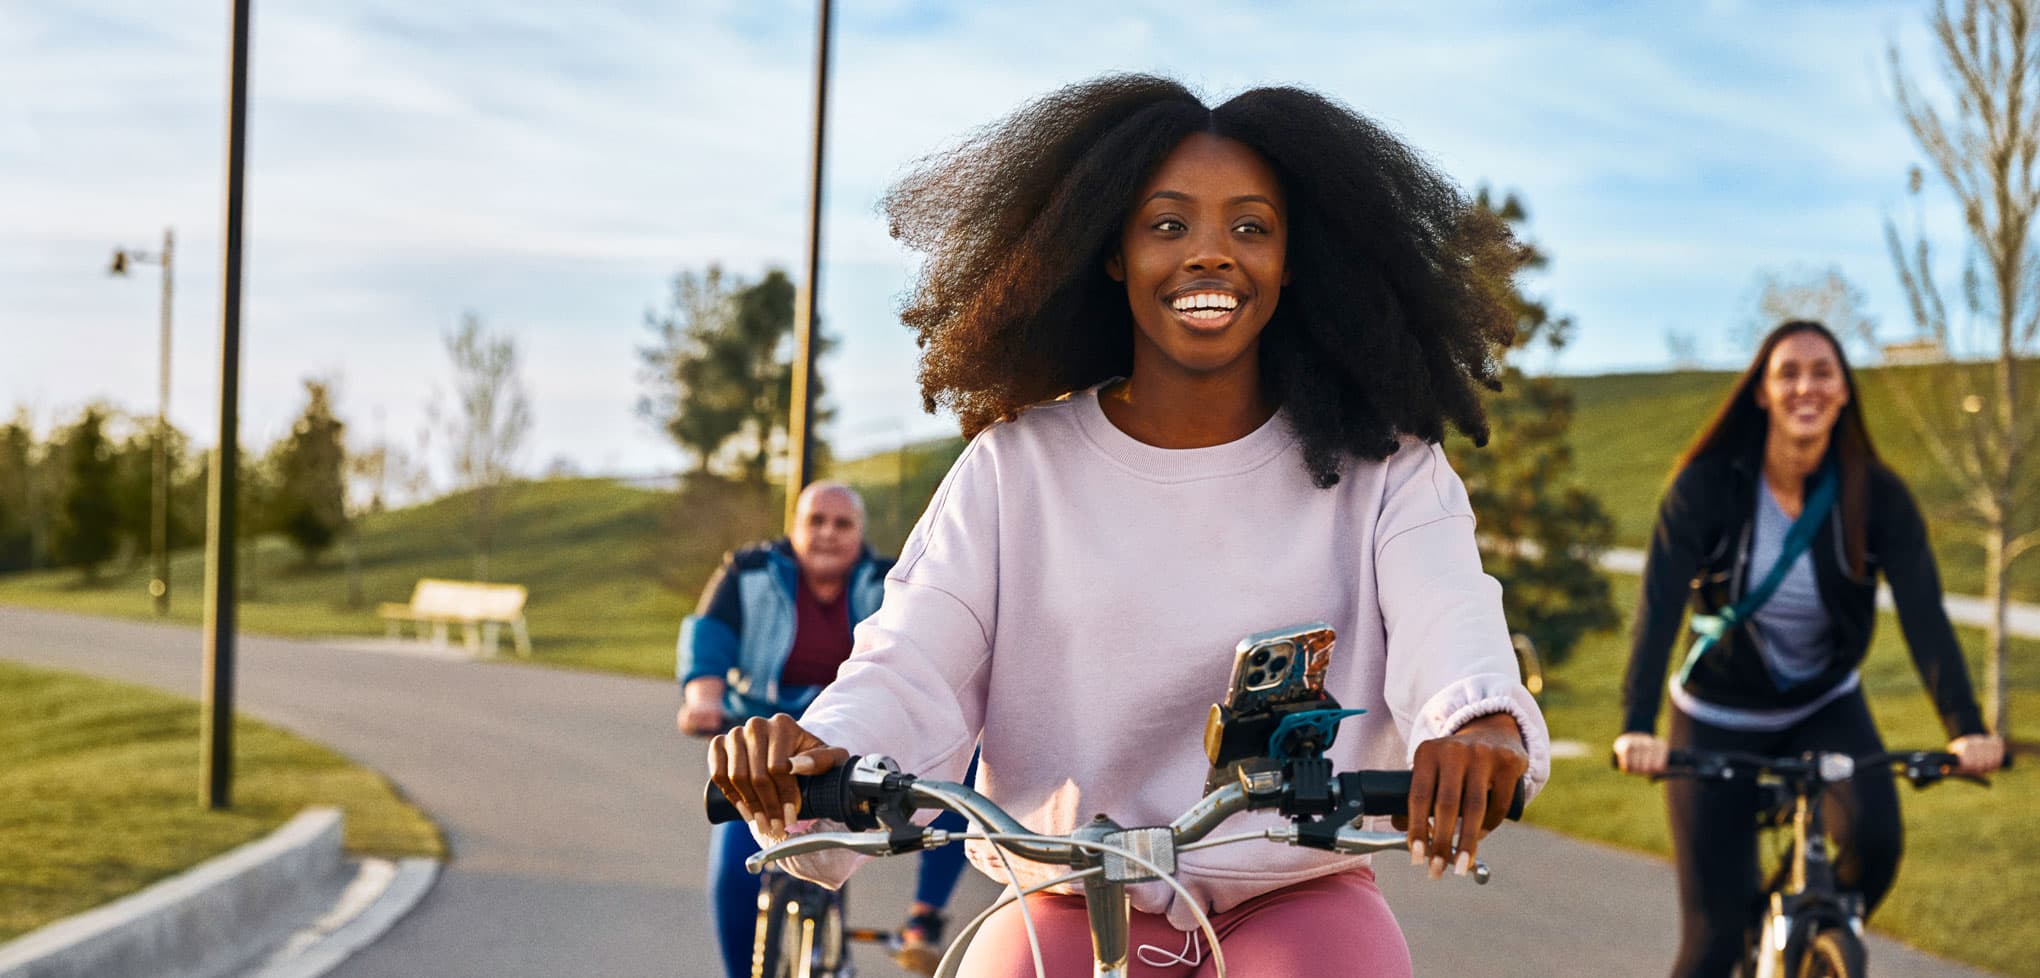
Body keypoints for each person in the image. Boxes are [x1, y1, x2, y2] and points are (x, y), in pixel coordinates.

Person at [709, 75, 1551, 977]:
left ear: (1296, 259)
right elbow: (912, 661)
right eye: (1168, 224)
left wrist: (1478, 722)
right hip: (1070, 895)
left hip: (1298, 895)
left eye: (1252, 227)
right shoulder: (1014, 467)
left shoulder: (1388, 469)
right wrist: (821, 749)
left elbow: (1449, 622)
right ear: (1110, 250)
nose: (1212, 255)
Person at [1611, 320, 2006, 977]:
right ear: (1762, 393)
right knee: (1712, 940)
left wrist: (1965, 729)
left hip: (1823, 707)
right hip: (1716, 715)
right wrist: (1635, 728)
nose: (1806, 386)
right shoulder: (1707, 488)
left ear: (1845, 390)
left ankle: (1796, 934)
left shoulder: (1877, 496)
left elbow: (1925, 616)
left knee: (1874, 843)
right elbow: (1656, 611)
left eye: (1823, 372)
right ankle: (1744, 934)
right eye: (1788, 372)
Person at [678, 481, 968, 978]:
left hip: (860, 742)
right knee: (736, 866)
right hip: (767, 738)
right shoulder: (748, 573)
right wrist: (703, 700)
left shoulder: (890, 581)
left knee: (956, 780)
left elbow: (925, 650)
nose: (828, 533)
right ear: (793, 527)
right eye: (816, 521)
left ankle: (925, 919)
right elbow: (711, 639)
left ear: (861, 534)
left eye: (842, 523)